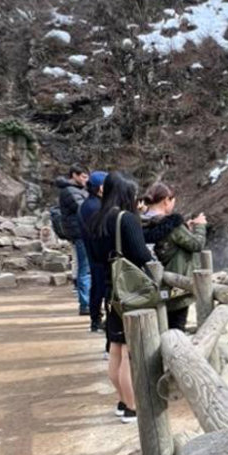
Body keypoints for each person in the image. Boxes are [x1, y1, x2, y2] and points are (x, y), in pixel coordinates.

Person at [86, 171, 149, 422]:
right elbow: (142, 254)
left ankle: (122, 402)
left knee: (115, 348)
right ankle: (133, 407)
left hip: (110, 289)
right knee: (128, 352)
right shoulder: (125, 219)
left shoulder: (95, 220)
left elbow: (97, 257)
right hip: (130, 291)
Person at [140, 182, 207, 332]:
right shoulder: (173, 225)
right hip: (176, 289)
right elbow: (197, 245)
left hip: (149, 286)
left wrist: (186, 229)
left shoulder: (140, 222)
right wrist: (200, 226)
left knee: (158, 330)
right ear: (166, 201)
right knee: (176, 330)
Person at [57, 164, 90, 316]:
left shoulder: (79, 190)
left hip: (82, 232)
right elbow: (83, 208)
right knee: (84, 268)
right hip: (79, 233)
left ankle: (87, 302)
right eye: (83, 176)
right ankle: (85, 303)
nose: (86, 180)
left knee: (84, 267)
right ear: (74, 175)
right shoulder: (70, 191)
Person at [78, 171, 107, 332]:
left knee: (97, 285)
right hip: (98, 253)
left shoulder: (90, 204)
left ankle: (96, 318)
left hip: (93, 251)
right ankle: (96, 319)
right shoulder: (94, 207)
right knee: (99, 286)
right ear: (101, 188)